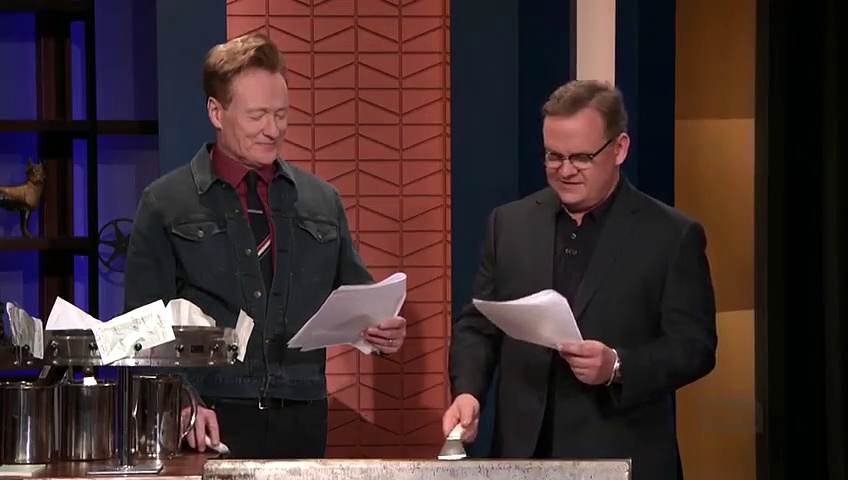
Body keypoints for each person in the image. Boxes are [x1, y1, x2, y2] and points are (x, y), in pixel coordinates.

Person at [124, 33, 407, 459]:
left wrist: (381, 328)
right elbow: (142, 326)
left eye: (281, 114)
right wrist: (183, 400)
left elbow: (359, 298)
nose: (272, 130)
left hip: (303, 416)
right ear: (216, 112)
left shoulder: (321, 201)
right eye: (257, 116)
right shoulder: (165, 203)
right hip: (209, 416)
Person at [442, 79, 717, 480]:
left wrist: (617, 365)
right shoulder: (509, 224)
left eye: (582, 157)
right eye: (553, 156)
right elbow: (478, 325)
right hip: (523, 459)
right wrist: (467, 390)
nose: (565, 170)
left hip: (622, 457)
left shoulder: (671, 235)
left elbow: (695, 347)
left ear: (619, 148)